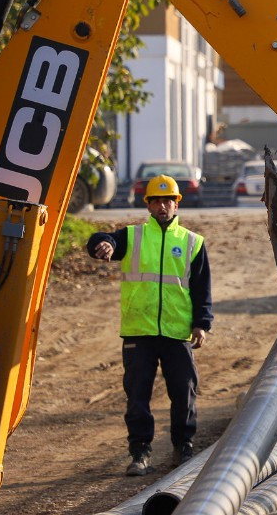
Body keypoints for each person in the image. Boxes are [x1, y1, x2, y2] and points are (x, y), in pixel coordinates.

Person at [88, 174, 213, 476]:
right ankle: (140, 453)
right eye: (156, 200)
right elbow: (103, 240)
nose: (162, 205)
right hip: (138, 331)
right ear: (148, 204)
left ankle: (183, 448)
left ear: (176, 203)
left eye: (168, 199)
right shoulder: (133, 236)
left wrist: (201, 324)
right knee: (137, 396)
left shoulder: (192, 243)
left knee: (184, 392)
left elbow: (201, 288)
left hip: (176, 332)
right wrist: (102, 244)